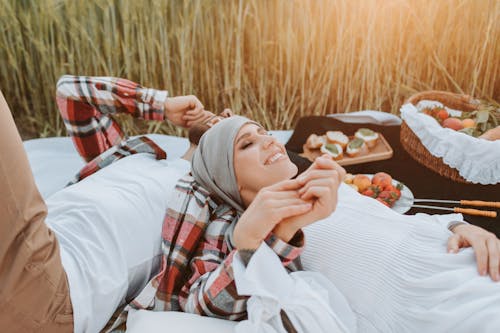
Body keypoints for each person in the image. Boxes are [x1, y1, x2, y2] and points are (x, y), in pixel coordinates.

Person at [128, 115, 500, 332]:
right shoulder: (240, 227)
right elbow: (204, 302)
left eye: (262, 132)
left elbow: (396, 226)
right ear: (229, 180)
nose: (269, 141)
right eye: (247, 144)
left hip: (466, 262)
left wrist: (455, 228)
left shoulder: (322, 182)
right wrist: (263, 237)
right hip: (430, 310)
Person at [0, 74, 218, 332]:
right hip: (26, 258)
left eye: (247, 135)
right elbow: (70, 93)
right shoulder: (133, 155)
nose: (224, 113)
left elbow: (220, 291)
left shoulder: (209, 211)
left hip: (51, 286)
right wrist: (161, 105)